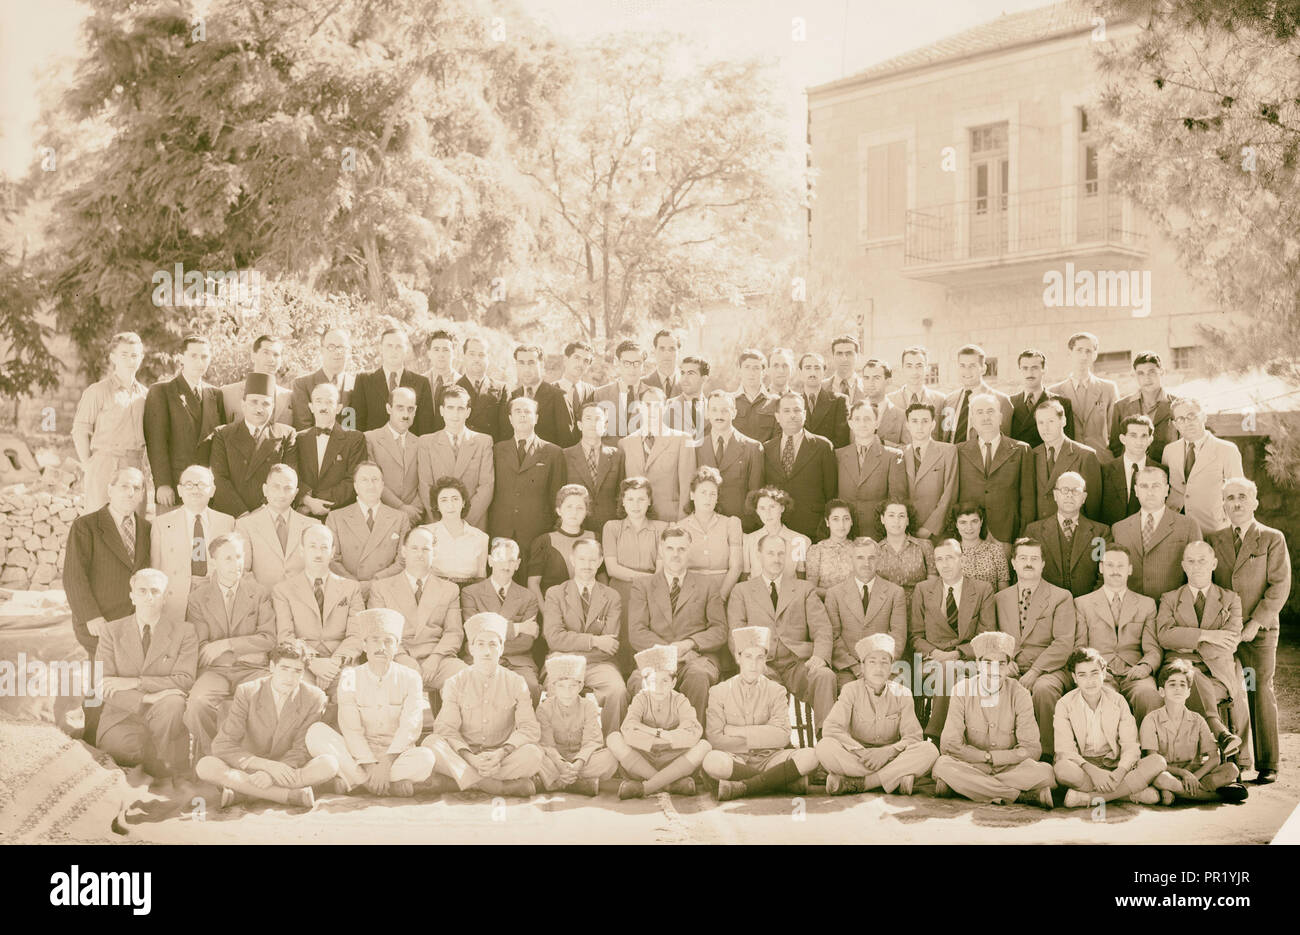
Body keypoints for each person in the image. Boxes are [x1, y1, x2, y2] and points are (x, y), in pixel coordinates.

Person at [1207, 477, 1290, 782]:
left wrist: (1256, 623)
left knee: (1259, 689)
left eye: (1242, 497)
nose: (1236, 503)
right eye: (1230, 498)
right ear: (1224, 504)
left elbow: (1279, 585)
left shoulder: (1271, 539)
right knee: (1227, 691)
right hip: (1225, 629)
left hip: (1261, 629)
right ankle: (1234, 763)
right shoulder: (1215, 539)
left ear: (1255, 501)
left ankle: (1268, 763)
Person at [304, 608, 437, 797]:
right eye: (374, 640)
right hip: (358, 755)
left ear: (397, 646)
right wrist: (370, 765)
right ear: (364, 645)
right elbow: (351, 729)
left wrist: (385, 764)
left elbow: (410, 727)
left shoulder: (411, 677)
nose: (381, 647)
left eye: (388, 641)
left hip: (397, 755)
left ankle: (356, 780)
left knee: (426, 759)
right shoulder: (350, 676)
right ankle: (377, 783)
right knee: (316, 733)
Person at [63, 467, 151, 743]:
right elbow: (74, 575)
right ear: (110, 489)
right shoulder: (86, 526)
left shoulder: (147, 529)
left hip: (133, 621)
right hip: (98, 620)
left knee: (127, 681)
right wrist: (91, 616)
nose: (130, 492)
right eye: (124, 486)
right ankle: (90, 736)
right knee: (97, 681)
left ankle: (122, 740)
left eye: (136, 488)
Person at [197, 641, 339, 809]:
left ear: (303, 673)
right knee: (205, 766)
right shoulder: (247, 691)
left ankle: (244, 793)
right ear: (272, 667)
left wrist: (272, 776)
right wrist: (266, 766)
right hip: (250, 767)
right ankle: (288, 796)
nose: (290, 677)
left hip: (287, 768)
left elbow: (301, 748)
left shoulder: (315, 697)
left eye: (297, 671)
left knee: (329, 764)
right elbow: (223, 745)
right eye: (284, 668)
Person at [420, 612, 544, 797]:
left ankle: (459, 781)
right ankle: (495, 786)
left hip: (500, 757)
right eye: (480, 644)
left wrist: (501, 753)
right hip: (466, 755)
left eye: (493, 644)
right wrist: (471, 758)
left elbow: (529, 729)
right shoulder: (455, 682)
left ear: (502, 648)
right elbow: (446, 729)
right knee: (431, 743)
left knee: (534, 754)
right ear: (471, 648)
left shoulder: (516, 682)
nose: (487, 651)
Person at [931, 630, 1056, 808]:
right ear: (977, 664)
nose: (995, 670)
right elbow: (949, 745)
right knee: (942, 765)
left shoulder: (1020, 693)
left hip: (1009, 768)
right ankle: (1018, 795)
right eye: (988, 663)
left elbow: (1032, 749)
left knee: (1047, 773)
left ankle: (967, 788)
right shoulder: (961, 690)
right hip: (972, 765)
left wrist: (991, 759)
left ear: (1008, 666)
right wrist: (984, 758)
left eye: (1001, 664)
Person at [95, 568, 197, 787]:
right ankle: (157, 763)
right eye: (142, 591)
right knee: (128, 751)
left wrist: (137, 682)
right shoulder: (111, 632)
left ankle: (163, 762)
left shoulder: (184, 632)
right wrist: (145, 698)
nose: (149, 597)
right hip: (121, 716)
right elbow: (101, 685)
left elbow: (185, 679)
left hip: (164, 717)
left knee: (174, 702)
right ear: (132, 596)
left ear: (165, 597)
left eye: (155, 591)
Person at [1155, 541, 1249, 770]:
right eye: (1191, 561)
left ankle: (1220, 753)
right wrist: (1208, 635)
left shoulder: (1230, 599)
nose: (1197, 567)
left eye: (1202, 561)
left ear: (1214, 564)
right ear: (1183, 566)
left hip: (1218, 673)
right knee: (1191, 676)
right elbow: (1164, 637)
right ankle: (1221, 734)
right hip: (1181, 671)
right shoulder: (1169, 598)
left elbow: (1230, 640)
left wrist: (1188, 641)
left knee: (1198, 679)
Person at [727, 533, 836, 728]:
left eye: (780, 554)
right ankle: (772, 743)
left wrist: (820, 656)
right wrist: (750, 663)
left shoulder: (804, 589)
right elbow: (736, 634)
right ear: (759, 555)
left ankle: (827, 738)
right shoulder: (741, 591)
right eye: (770, 553)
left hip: (797, 663)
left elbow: (822, 627)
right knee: (757, 682)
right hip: (761, 664)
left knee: (825, 676)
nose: (776, 559)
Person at [183, 532, 276, 758]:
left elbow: (269, 639)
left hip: (253, 671)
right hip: (216, 672)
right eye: (228, 558)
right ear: (213, 562)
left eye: (239, 556)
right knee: (198, 703)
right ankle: (212, 756)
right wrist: (247, 651)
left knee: (264, 700)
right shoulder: (198, 597)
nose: (236, 564)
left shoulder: (260, 593)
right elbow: (203, 648)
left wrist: (227, 645)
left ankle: (251, 760)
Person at [703, 626, 819, 801]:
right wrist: (762, 735)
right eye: (748, 656)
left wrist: (733, 731)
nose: (753, 664)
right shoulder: (719, 691)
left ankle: (745, 787)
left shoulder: (776, 690)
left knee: (811, 756)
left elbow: (782, 737)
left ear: (765, 660)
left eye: (760, 658)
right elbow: (715, 739)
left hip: (771, 759)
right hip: (736, 759)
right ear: (738, 657)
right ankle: (780, 782)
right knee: (712, 761)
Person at [816, 633, 939, 796]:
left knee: (929, 750)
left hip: (891, 757)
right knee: (825, 747)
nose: (878, 668)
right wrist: (863, 753)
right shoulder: (850, 690)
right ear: (862, 666)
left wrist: (886, 753)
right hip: (858, 757)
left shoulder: (902, 693)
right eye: (872, 662)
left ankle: (863, 783)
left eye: (884, 662)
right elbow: (832, 729)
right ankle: (892, 778)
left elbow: (913, 737)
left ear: (891, 667)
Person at [627, 526, 727, 724]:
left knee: (698, 676)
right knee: (639, 681)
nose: (676, 554)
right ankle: (651, 741)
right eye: (670, 548)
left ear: (689, 551)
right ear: (661, 550)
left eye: (681, 549)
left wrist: (690, 643)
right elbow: (637, 632)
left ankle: (693, 738)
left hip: (696, 657)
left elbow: (719, 630)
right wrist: (670, 652)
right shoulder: (643, 586)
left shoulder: (707, 584)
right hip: (654, 658)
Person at [994, 538, 1077, 758]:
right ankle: (1002, 753)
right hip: (1010, 666)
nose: (1028, 563)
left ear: (1043, 564)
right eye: (1023, 558)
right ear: (1013, 563)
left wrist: (1035, 671)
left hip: (1049, 669)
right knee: (991, 684)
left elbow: (1063, 643)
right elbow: (994, 638)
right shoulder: (999, 599)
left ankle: (1048, 756)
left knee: (1043, 689)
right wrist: (1005, 662)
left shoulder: (1061, 597)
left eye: (1034, 559)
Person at [1053, 647, 1166, 807]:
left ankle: (1089, 798)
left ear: (1104, 674)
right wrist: (1095, 772)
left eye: (1094, 673)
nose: (1090, 680)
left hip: (1114, 763)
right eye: (1082, 675)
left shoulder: (1118, 701)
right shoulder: (1064, 704)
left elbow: (1130, 746)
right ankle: (1128, 793)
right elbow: (1065, 749)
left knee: (1157, 761)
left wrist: (1120, 772)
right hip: (1084, 765)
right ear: (1074, 678)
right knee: (1062, 769)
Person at [367, 527, 467, 706]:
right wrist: (404, 659)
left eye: (426, 549)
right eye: (414, 548)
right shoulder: (381, 587)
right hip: (396, 658)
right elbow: (378, 632)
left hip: (437, 659)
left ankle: (448, 730)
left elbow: (454, 633)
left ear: (434, 553)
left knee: (466, 677)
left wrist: (435, 659)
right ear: (404, 551)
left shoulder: (449, 589)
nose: (420, 554)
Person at [911, 539, 996, 743]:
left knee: (949, 670)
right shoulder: (923, 589)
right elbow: (915, 636)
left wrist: (958, 653)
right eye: (939, 559)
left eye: (950, 558)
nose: (945, 564)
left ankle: (935, 735)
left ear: (962, 559)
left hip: (969, 659)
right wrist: (935, 653)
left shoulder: (982, 589)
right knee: (943, 670)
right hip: (932, 658)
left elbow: (987, 635)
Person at [544, 538, 629, 735]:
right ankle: (556, 746)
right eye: (582, 559)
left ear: (600, 561)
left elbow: (611, 643)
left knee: (618, 690)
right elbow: (554, 638)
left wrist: (574, 644)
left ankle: (611, 743)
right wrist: (594, 640)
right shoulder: (555, 594)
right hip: (562, 662)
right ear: (572, 560)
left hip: (599, 664)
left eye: (592, 560)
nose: (587, 565)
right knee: (554, 688)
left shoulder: (612, 596)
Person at [607, 644, 712, 799]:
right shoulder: (641, 699)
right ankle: (669, 784)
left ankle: (646, 787)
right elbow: (628, 731)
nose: (658, 687)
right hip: (644, 758)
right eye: (653, 681)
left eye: (664, 681)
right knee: (613, 738)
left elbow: (693, 732)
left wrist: (650, 733)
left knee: (704, 745)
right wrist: (664, 735)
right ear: (645, 683)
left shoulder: (680, 700)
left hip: (673, 758)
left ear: (673, 682)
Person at [1074, 544, 1163, 726]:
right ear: (1101, 568)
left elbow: (1153, 649)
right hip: (1100, 673)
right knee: (1101, 697)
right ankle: (1112, 752)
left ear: (1130, 569)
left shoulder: (1147, 605)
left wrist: (1144, 667)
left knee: (1148, 695)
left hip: (1135, 672)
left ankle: (1149, 749)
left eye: (1121, 566)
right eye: (1110, 565)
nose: (1115, 571)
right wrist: (1093, 671)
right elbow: (1080, 648)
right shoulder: (1083, 604)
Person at [272, 524, 364, 696]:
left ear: (332, 551)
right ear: (302, 550)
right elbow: (286, 636)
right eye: (312, 546)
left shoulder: (351, 588)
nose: (318, 552)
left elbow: (357, 635)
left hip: (341, 665)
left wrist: (333, 665)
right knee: (302, 695)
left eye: (324, 547)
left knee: (350, 693)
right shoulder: (283, 590)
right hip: (301, 663)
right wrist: (313, 663)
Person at [1142, 660, 1248, 804]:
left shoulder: (1197, 720)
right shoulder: (1151, 720)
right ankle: (1216, 797)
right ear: (1162, 691)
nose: (1178, 689)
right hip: (1167, 772)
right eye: (1172, 684)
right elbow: (1152, 761)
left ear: (1188, 692)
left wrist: (1194, 777)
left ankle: (1178, 793)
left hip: (1195, 773)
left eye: (1182, 685)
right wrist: (1183, 774)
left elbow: (1214, 758)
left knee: (1232, 769)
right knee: (1162, 779)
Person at [487, 395, 567, 584]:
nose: (522, 416)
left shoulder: (553, 452)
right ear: (510, 418)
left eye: (527, 412)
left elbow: (557, 497)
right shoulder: (497, 450)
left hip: (536, 532)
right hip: (501, 529)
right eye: (518, 411)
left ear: (536, 418)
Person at [144, 334, 225, 512]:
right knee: (174, 537)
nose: (199, 362)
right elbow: (156, 442)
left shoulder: (215, 394)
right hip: (175, 485)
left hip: (206, 487)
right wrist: (162, 483)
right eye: (193, 356)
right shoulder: (162, 391)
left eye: (204, 356)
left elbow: (221, 442)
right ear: (181, 358)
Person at [72, 332, 148, 514]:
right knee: (101, 522)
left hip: (135, 464)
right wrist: (89, 465)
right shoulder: (97, 391)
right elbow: (80, 430)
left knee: (135, 524)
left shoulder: (146, 395)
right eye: (124, 355)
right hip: (105, 465)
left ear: (141, 358)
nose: (130, 360)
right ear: (113, 357)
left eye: (134, 355)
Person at [460, 538, 542, 704]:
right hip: (480, 657)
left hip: (518, 661)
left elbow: (526, 643)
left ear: (518, 563)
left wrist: (490, 631)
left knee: (531, 686)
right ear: (490, 561)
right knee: (469, 686)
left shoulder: (528, 597)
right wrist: (518, 627)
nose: (506, 566)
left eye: (511, 560)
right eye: (501, 559)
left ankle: (525, 728)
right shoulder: (471, 593)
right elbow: (475, 633)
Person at [149, 464, 234, 623]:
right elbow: (155, 569)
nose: (195, 489)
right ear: (180, 490)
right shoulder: (162, 523)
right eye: (189, 484)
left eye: (201, 484)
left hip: (214, 596)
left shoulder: (227, 522)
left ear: (212, 490)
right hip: (176, 599)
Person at [823, 538, 907, 690]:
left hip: (885, 666)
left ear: (879, 560)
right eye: (860, 557)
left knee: (894, 692)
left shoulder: (895, 593)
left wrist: (878, 665)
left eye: (871, 557)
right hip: (848, 668)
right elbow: (833, 637)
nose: (866, 563)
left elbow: (898, 636)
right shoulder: (834, 594)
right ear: (851, 560)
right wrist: (856, 667)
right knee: (849, 692)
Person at [209, 373, 297, 517]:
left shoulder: (286, 435)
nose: (259, 409)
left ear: (273, 407)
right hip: (231, 513)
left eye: (265, 404)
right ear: (243, 404)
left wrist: (262, 514)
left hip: (269, 515)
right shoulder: (223, 434)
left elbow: (288, 479)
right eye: (254, 402)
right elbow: (219, 478)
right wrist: (243, 513)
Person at [1109, 466, 1203, 600]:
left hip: (1173, 610)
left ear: (1166, 490)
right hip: (1131, 611)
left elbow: (1198, 573)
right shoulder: (1119, 529)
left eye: (1156, 486)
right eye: (1144, 486)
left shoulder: (1188, 526)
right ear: (1136, 491)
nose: (1150, 492)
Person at [602, 476, 667, 672]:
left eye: (641, 499)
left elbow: (661, 568)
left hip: (652, 591)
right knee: (622, 637)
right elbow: (612, 568)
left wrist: (649, 583)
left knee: (648, 636)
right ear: (622, 501)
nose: (635, 505)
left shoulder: (661, 528)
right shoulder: (612, 527)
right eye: (630, 499)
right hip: (620, 591)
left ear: (649, 501)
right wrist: (644, 578)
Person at [955, 393, 1035, 542]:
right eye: (979, 412)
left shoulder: (1021, 450)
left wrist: (1023, 536)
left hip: (1007, 534)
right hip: (970, 536)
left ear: (1000, 417)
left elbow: (1028, 500)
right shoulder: (958, 451)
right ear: (972, 421)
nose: (986, 417)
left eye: (990, 411)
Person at [535, 654, 618, 795]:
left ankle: (556, 783)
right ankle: (577, 784)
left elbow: (591, 742)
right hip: (554, 760)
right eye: (561, 686)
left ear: (580, 686)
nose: (567, 692)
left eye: (572, 686)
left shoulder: (588, 706)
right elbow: (547, 744)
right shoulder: (544, 708)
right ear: (553, 687)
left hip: (581, 761)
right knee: (535, 755)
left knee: (610, 758)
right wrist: (561, 764)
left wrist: (577, 765)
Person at [325, 461, 410, 599]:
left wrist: (373, 583)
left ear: (382, 485)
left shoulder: (400, 518)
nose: (371, 485)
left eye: (375, 480)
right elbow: (332, 559)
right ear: (355, 486)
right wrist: (355, 586)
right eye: (364, 480)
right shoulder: (336, 517)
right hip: (347, 591)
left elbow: (403, 560)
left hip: (386, 591)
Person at [416, 385, 495, 530]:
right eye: (450, 408)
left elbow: (486, 486)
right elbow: (425, 485)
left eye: (460, 408)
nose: (455, 414)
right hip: (437, 524)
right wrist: (443, 522)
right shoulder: (426, 442)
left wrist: (462, 522)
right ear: (441, 411)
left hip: (472, 524)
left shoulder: (483, 442)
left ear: (468, 412)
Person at [762, 392, 838, 539]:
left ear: (804, 414)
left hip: (812, 527)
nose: (792, 415)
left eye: (797, 410)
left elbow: (831, 492)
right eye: (786, 411)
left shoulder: (822, 446)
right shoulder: (767, 448)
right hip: (777, 527)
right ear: (777, 416)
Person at [1163, 398, 1244, 533]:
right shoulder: (1169, 451)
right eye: (1181, 419)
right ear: (1175, 424)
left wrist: (1232, 527)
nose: (1187, 423)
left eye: (1192, 416)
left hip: (1213, 527)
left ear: (1203, 417)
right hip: (1175, 527)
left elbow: (1238, 494)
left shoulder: (1227, 450)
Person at [233, 464, 321, 588]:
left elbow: (318, 570)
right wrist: (262, 601)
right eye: (276, 487)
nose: (281, 493)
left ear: (296, 493)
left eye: (288, 488)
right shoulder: (245, 525)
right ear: (265, 489)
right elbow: (243, 571)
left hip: (301, 601)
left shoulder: (312, 526)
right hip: (262, 601)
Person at [1023, 471, 1108, 598]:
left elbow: (1105, 574)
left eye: (1076, 491)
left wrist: (1089, 604)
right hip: (1046, 608)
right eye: (1064, 490)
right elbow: (1026, 573)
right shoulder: (1034, 531)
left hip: (1087, 609)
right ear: (1055, 495)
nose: (1069, 495)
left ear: (1084, 497)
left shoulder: (1100, 533)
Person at [620, 384, 693, 521]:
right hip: (636, 521)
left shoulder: (682, 440)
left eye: (657, 406)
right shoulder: (625, 443)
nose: (652, 410)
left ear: (665, 408)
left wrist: (682, 523)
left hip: (669, 519)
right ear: (639, 407)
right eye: (647, 405)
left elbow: (686, 488)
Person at [293, 381, 366, 518]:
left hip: (340, 514)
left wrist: (313, 503)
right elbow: (293, 475)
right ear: (311, 407)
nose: (323, 407)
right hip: (302, 515)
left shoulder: (355, 438)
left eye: (329, 402)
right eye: (318, 401)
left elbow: (353, 481)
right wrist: (307, 501)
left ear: (339, 408)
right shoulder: (298, 438)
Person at [351, 324, 436, 435]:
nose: (394, 351)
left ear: (406, 349)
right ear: (381, 348)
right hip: (373, 449)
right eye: (389, 346)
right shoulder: (364, 380)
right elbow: (358, 425)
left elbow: (426, 428)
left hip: (409, 450)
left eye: (399, 346)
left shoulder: (421, 383)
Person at [837, 401, 904, 539]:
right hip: (845, 533)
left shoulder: (892, 456)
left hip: (878, 533)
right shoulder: (838, 455)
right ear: (850, 424)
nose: (862, 424)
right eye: (857, 419)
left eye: (867, 419)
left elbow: (896, 500)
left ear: (877, 423)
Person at [1048, 331, 1118, 461]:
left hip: (1101, 460)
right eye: (1079, 350)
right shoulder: (1054, 392)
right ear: (1070, 353)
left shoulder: (1108, 389)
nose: (1084, 356)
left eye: (1089, 351)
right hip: (1068, 460)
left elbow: (1114, 431)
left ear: (1095, 355)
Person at [695, 389, 763, 521]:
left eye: (725, 410)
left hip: (740, 523)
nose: (719, 415)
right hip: (705, 523)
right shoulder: (697, 447)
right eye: (714, 410)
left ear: (734, 413)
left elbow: (755, 495)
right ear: (707, 413)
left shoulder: (753, 448)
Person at [1031, 398, 1101, 522]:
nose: (1045, 427)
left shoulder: (1085, 455)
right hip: (1040, 531)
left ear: (1063, 421)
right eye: (1040, 422)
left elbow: (1093, 507)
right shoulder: (1032, 454)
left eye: (1051, 421)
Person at [678, 466, 743, 601]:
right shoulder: (680, 527)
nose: (708, 498)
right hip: (690, 594)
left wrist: (720, 597)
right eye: (703, 492)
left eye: (713, 494)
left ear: (717, 497)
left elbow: (736, 567)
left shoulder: (731, 524)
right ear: (692, 495)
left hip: (724, 591)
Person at [527, 484, 597, 606]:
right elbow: (533, 583)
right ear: (559, 510)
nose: (574, 512)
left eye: (580, 508)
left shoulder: (595, 538)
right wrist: (547, 614)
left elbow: (602, 581)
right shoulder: (544, 541)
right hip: (554, 611)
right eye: (569, 507)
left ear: (586, 511)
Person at [364, 386, 424, 524]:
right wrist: (401, 507)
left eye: (410, 409)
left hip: (414, 518)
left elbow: (425, 482)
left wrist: (415, 510)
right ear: (389, 408)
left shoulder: (421, 443)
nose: (405, 414)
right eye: (400, 408)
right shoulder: (370, 439)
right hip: (381, 516)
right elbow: (372, 480)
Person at [563, 401, 625, 532]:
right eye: (588, 418)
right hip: (576, 526)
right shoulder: (565, 455)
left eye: (598, 419)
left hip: (608, 526)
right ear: (579, 425)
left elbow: (620, 494)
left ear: (606, 425)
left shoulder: (617, 455)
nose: (593, 423)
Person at [415, 476, 489, 585]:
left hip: (468, 593)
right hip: (435, 590)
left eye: (455, 499)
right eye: (444, 500)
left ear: (463, 502)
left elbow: (481, 578)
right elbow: (417, 572)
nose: (450, 505)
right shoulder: (424, 533)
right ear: (437, 506)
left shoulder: (480, 537)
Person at [899, 403, 958, 541]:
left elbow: (950, 494)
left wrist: (930, 528)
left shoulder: (948, 451)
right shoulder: (900, 453)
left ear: (933, 424)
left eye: (925, 421)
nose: (920, 426)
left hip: (937, 532)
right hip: (906, 532)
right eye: (914, 421)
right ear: (907, 425)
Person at [1109, 352, 1178, 464]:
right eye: (1141, 373)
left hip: (1167, 471)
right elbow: (1116, 446)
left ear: (1162, 372)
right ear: (1135, 376)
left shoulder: (1176, 405)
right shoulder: (1121, 406)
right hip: (1133, 472)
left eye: (1152, 372)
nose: (1147, 378)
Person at [872, 498, 937, 611]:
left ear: (907, 520)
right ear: (882, 519)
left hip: (919, 610)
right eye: (891, 515)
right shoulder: (875, 550)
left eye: (901, 516)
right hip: (885, 611)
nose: (896, 521)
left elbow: (933, 586)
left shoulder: (925, 546)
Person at [941, 344, 1012, 443]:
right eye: (962, 366)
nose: (967, 371)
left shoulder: (1001, 401)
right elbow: (945, 436)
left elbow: (1004, 445)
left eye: (972, 366)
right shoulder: (949, 400)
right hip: (951, 456)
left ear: (983, 368)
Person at [290, 328, 356, 432]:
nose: (337, 352)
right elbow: (304, 429)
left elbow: (358, 426)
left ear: (349, 351)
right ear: (322, 350)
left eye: (342, 347)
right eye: (331, 347)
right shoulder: (302, 384)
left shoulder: (358, 385)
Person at [1008, 348, 1075, 449]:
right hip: (1020, 462)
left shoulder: (1062, 403)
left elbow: (1068, 445)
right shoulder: (1009, 403)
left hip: (1049, 461)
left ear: (1044, 370)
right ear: (1019, 371)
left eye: (1034, 368)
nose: (1029, 373)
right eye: (1025, 368)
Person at [501, 343, 566, 446]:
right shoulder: (512, 397)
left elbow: (565, 440)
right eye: (521, 363)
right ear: (516, 365)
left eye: (531, 363)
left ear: (541, 364)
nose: (526, 369)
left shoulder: (558, 396)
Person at [220, 335, 292, 427]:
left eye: (276, 354)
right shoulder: (227, 394)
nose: (271, 359)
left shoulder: (289, 397)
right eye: (266, 353)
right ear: (253, 355)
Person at [1100, 414, 1158, 526]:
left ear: (1150, 440)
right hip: (1113, 536)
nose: (1139, 441)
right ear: (1123, 439)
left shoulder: (1161, 471)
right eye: (1133, 435)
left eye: (1144, 436)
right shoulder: (1104, 471)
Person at [742, 486, 811, 580]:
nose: (767, 513)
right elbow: (745, 577)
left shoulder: (799, 541)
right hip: (756, 592)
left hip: (788, 592)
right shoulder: (749, 540)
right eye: (762, 508)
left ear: (782, 508)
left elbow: (801, 578)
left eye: (772, 507)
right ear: (757, 511)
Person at [594, 339, 649, 444]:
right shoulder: (600, 394)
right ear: (617, 362)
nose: (632, 368)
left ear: (643, 364)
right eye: (627, 363)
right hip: (610, 458)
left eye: (637, 363)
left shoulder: (653, 395)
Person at [947, 501, 1010, 593]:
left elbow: (1004, 591)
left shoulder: (995, 550)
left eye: (974, 521)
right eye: (963, 522)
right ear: (956, 524)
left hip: (991, 605)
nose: (969, 527)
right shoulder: (949, 551)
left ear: (981, 522)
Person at [456, 336, 509, 440]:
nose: (477, 359)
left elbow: (505, 431)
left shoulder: (501, 389)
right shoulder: (451, 388)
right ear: (464, 357)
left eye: (482, 355)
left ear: (488, 358)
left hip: (491, 451)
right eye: (472, 354)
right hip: (459, 451)